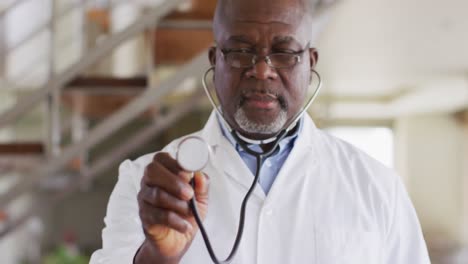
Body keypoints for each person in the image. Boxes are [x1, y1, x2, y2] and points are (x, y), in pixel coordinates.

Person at [90, 0, 431, 263]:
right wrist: (155, 258)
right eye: (240, 51)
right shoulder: (146, 185)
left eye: (283, 52)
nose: (262, 70)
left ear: (310, 63)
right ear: (215, 60)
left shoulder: (377, 188)